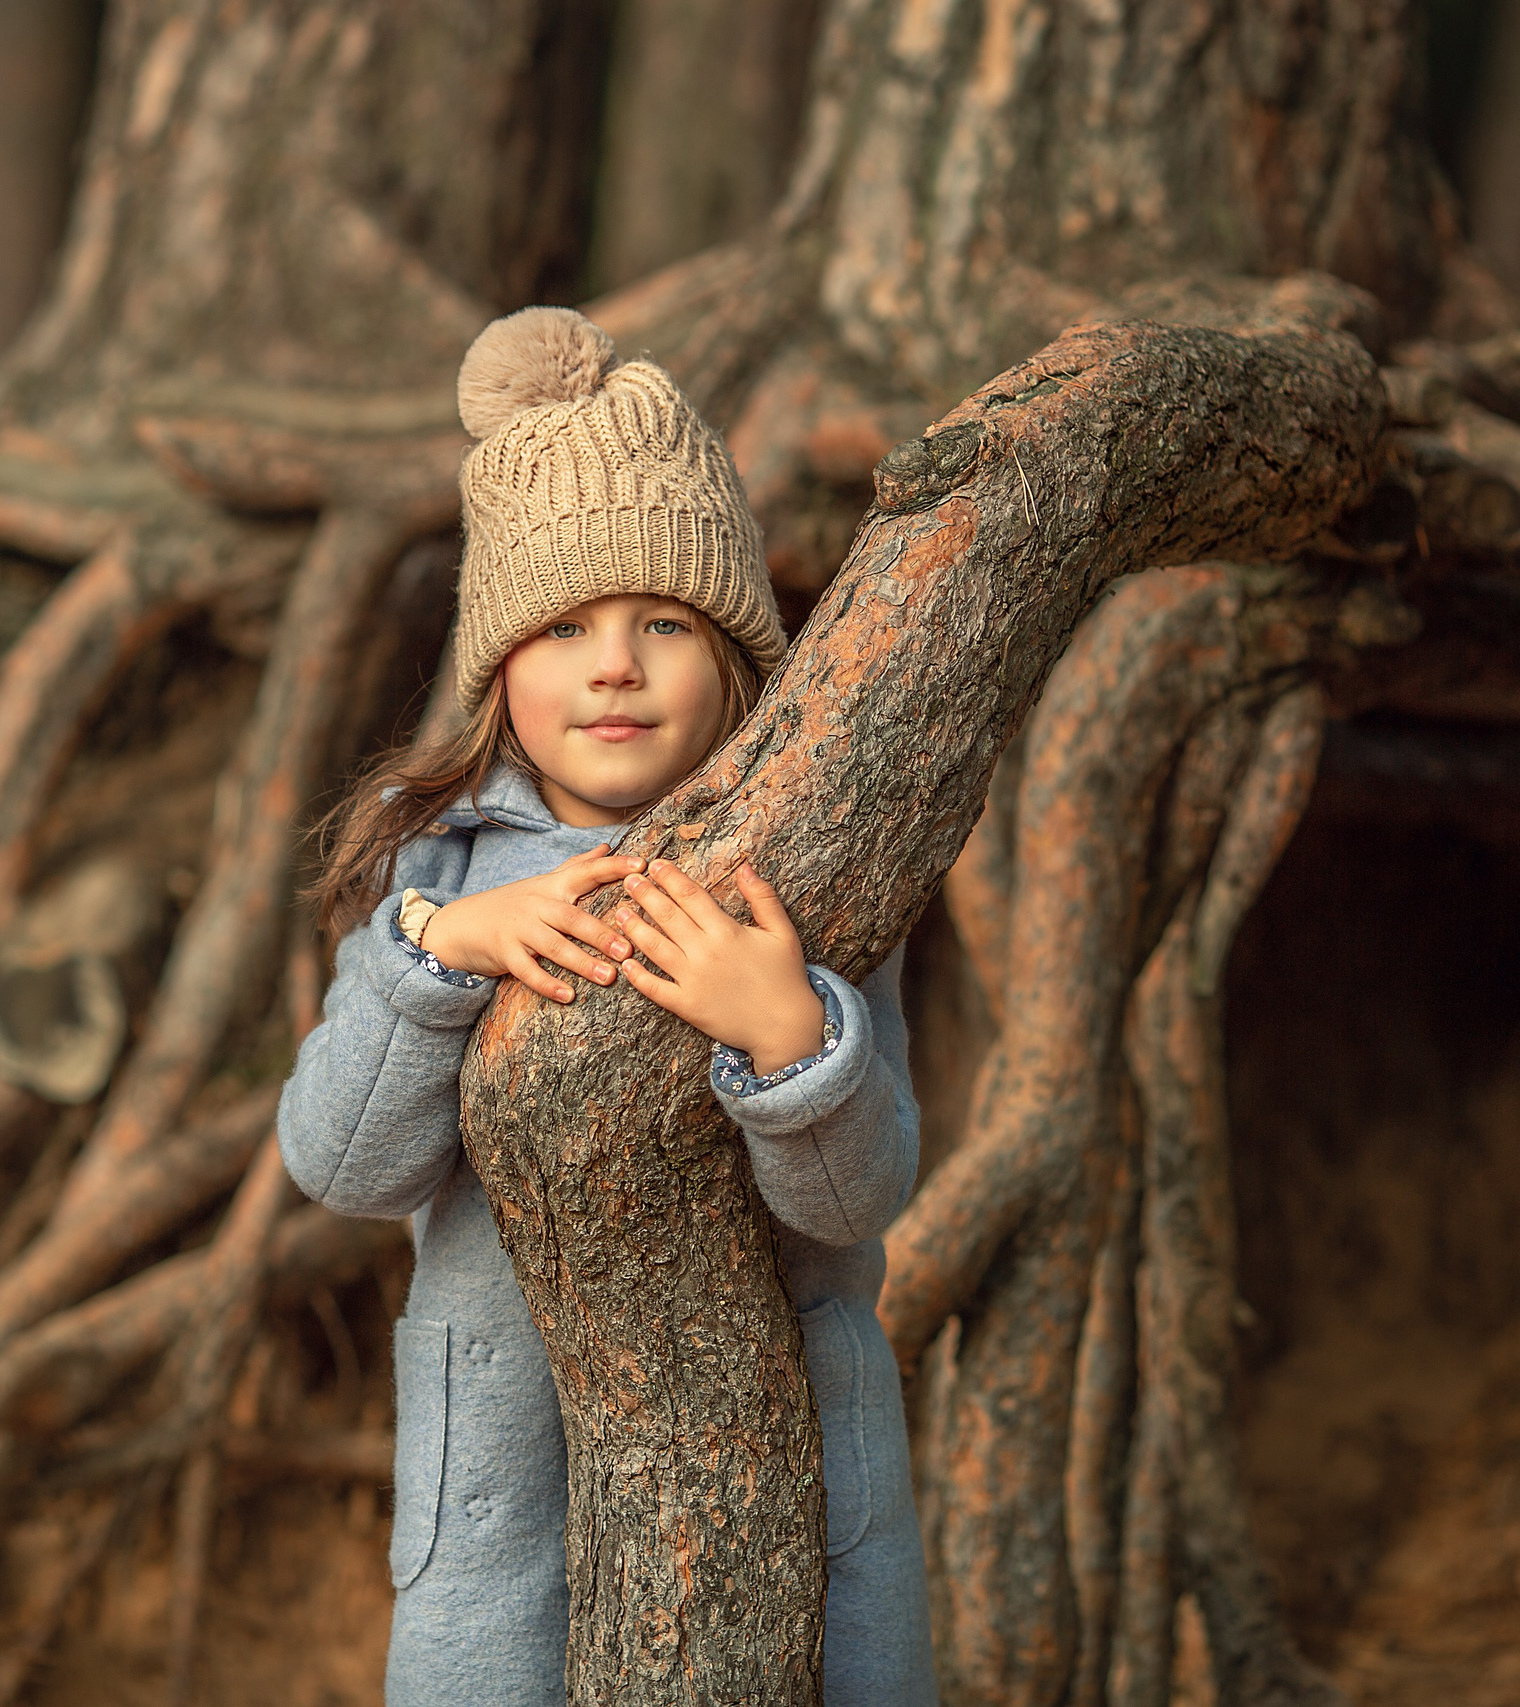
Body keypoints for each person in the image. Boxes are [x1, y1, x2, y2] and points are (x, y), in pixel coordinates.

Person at [277, 306, 938, 1706]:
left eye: (665, 622)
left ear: (739, 652)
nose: (614, 664)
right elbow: (340, 1161)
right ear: (497, 659)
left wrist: (792, 1041)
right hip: (508, 1474)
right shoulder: (434, 865)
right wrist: (441, 956)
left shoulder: (803, 861)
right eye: (564, 624)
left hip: (785, 1454)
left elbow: (858, 1197)